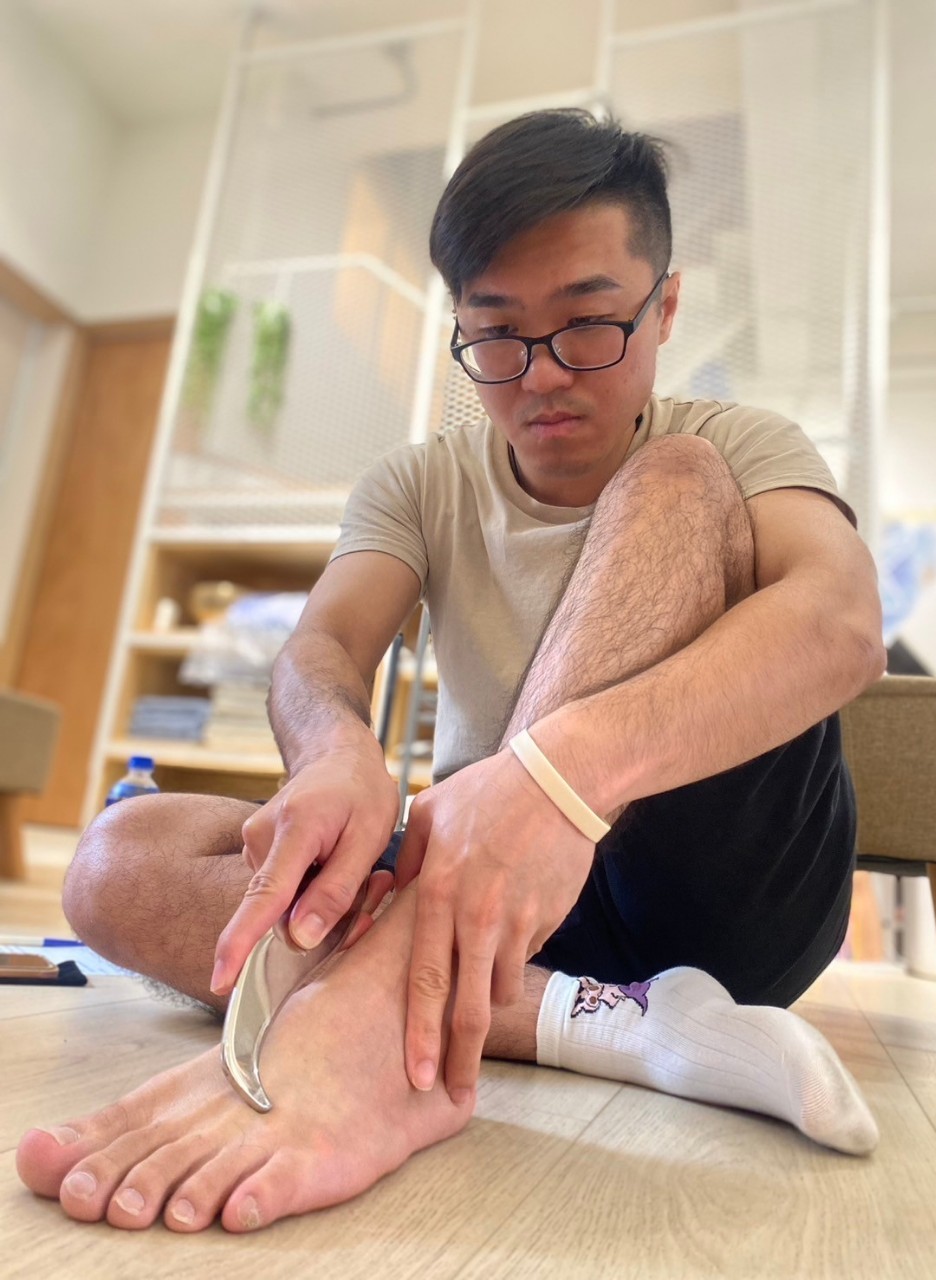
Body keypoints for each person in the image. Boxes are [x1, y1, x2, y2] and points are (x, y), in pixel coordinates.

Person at [17, 109, 885, 1234]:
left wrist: (551, 779)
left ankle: (377, 1017)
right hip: (494, 904)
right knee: (115, 860)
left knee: (678, 478)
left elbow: (842, 622)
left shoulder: (741, 440)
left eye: (590, 325)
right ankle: (618, 1024)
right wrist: (334, 750)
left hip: (723, 885)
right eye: (497, 336)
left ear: (665, 307)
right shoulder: (418, 481)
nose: (542, 378)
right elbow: (324, 647)